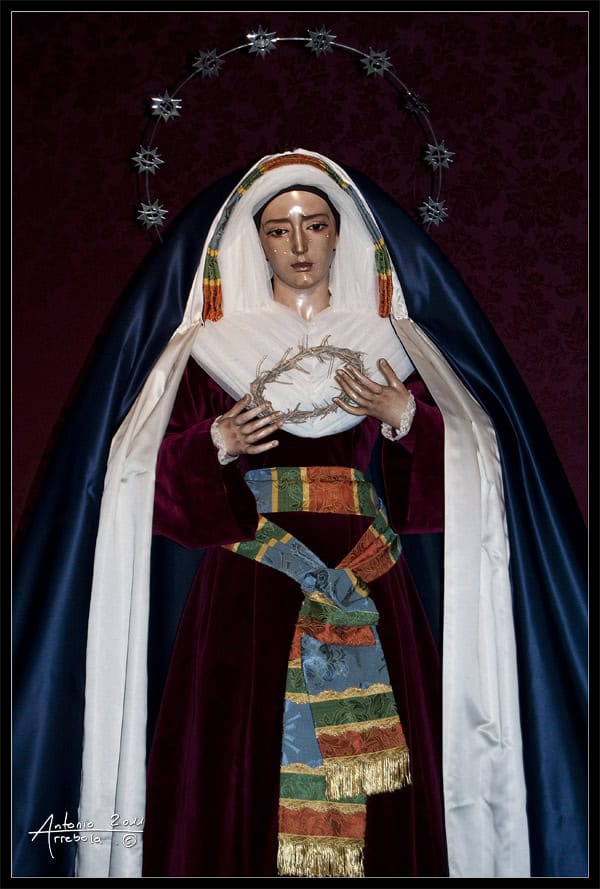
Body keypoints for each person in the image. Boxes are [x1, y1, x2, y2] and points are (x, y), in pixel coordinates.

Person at [13, 150, 587, 880]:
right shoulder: (212, 351)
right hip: (251, 591)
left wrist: (407, 417)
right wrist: (214, 444)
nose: (300, 245)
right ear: (253, 241)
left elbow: (474, 476)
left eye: (315, 225)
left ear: (340, 233)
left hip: (366, 580)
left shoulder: (393, 342)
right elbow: (136, 480)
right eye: (279, 230)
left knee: (388, 786)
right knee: (241, 756)